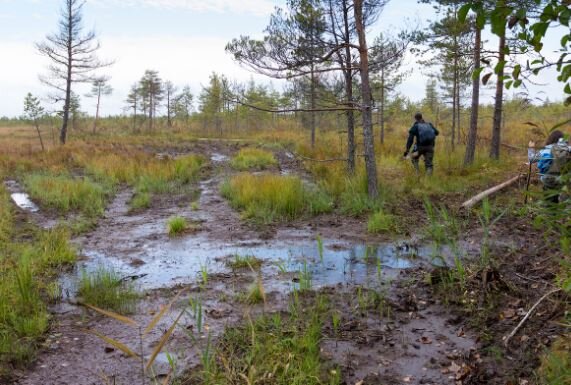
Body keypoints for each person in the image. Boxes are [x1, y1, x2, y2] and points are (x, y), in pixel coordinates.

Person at [528, 130, 571, 203]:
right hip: (564, 180)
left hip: (548, 180)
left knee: (550, 203)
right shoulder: (568, 148)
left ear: (551, 138)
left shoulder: (546, 149)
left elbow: (532, 159)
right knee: (564, 204)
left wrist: (531, 148)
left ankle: (551, 212)